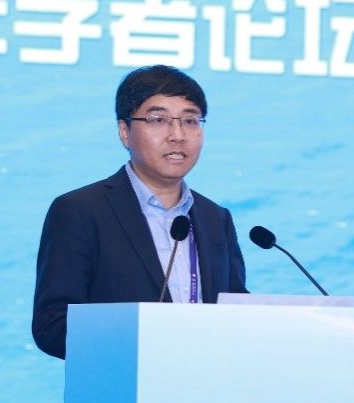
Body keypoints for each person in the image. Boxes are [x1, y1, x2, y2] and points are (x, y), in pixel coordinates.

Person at [32, 65, 248, 359]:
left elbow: (235, 311)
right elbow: (53, 325)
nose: (177, 135)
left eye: (190, 120)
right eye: (158, 120)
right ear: (125, 132)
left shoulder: (215, 218)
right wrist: (147, 343)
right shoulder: (80, 211)